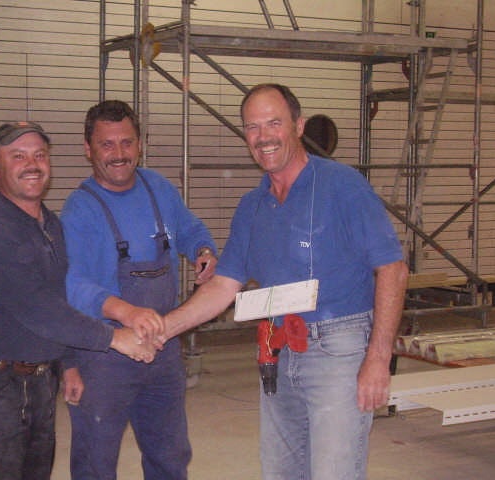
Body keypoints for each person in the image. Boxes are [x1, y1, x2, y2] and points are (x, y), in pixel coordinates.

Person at [161, 84, 408, 480]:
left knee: (334, 472)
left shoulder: (342, 186)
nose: (264, 137)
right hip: (278, 348)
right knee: (281, 472)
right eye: (253, 127)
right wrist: (162, 329)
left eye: (274, 123)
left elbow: (393, 269)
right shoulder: (252, 206)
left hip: (338, 347)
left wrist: (378, 359)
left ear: (298, 125)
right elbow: (223, 286)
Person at [0, 121, 155, 480]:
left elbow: (59, 297)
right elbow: (39, 310)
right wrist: (115, 338)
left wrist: (68, 364)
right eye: (18, 156)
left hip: (40, 380)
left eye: (40, 155)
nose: (32, 164)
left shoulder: (49, 225)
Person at [59, 100, 218, 480]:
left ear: (140, 144)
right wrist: (126, 313)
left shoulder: (159, 188)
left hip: (163, 347)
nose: (119, 154)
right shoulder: (79, 210)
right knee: (96, 462)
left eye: (127, 142)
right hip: (105, 354)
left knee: (170, 455)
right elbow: (73, 285)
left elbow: (190, 228)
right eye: (107, 145)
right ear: (88, 149)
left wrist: (203, 250)